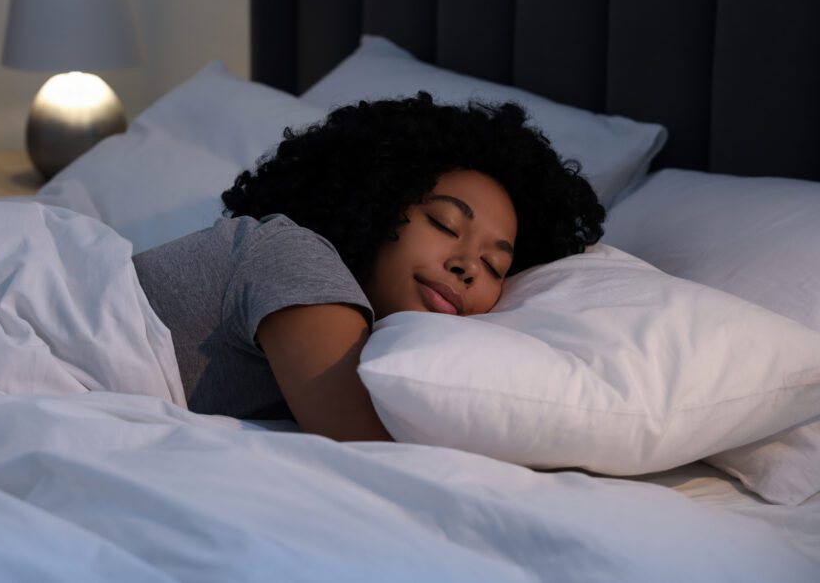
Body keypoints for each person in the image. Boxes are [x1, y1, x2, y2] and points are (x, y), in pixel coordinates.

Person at [132, 92, 604, 442]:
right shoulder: (293, 256)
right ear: (375, 203)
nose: (467, 267)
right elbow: (366, 445)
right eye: (444, 223)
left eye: (494, 265)